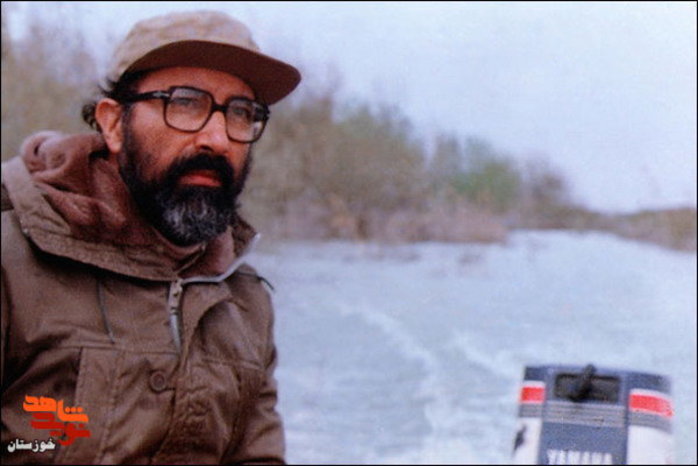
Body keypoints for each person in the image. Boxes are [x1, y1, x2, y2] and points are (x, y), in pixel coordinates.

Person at [1, 10, 300, 464]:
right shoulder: (13, 258)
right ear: (113, 124)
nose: (218, 139)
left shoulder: (244, 300)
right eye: (186, 103)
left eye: (241, 113)